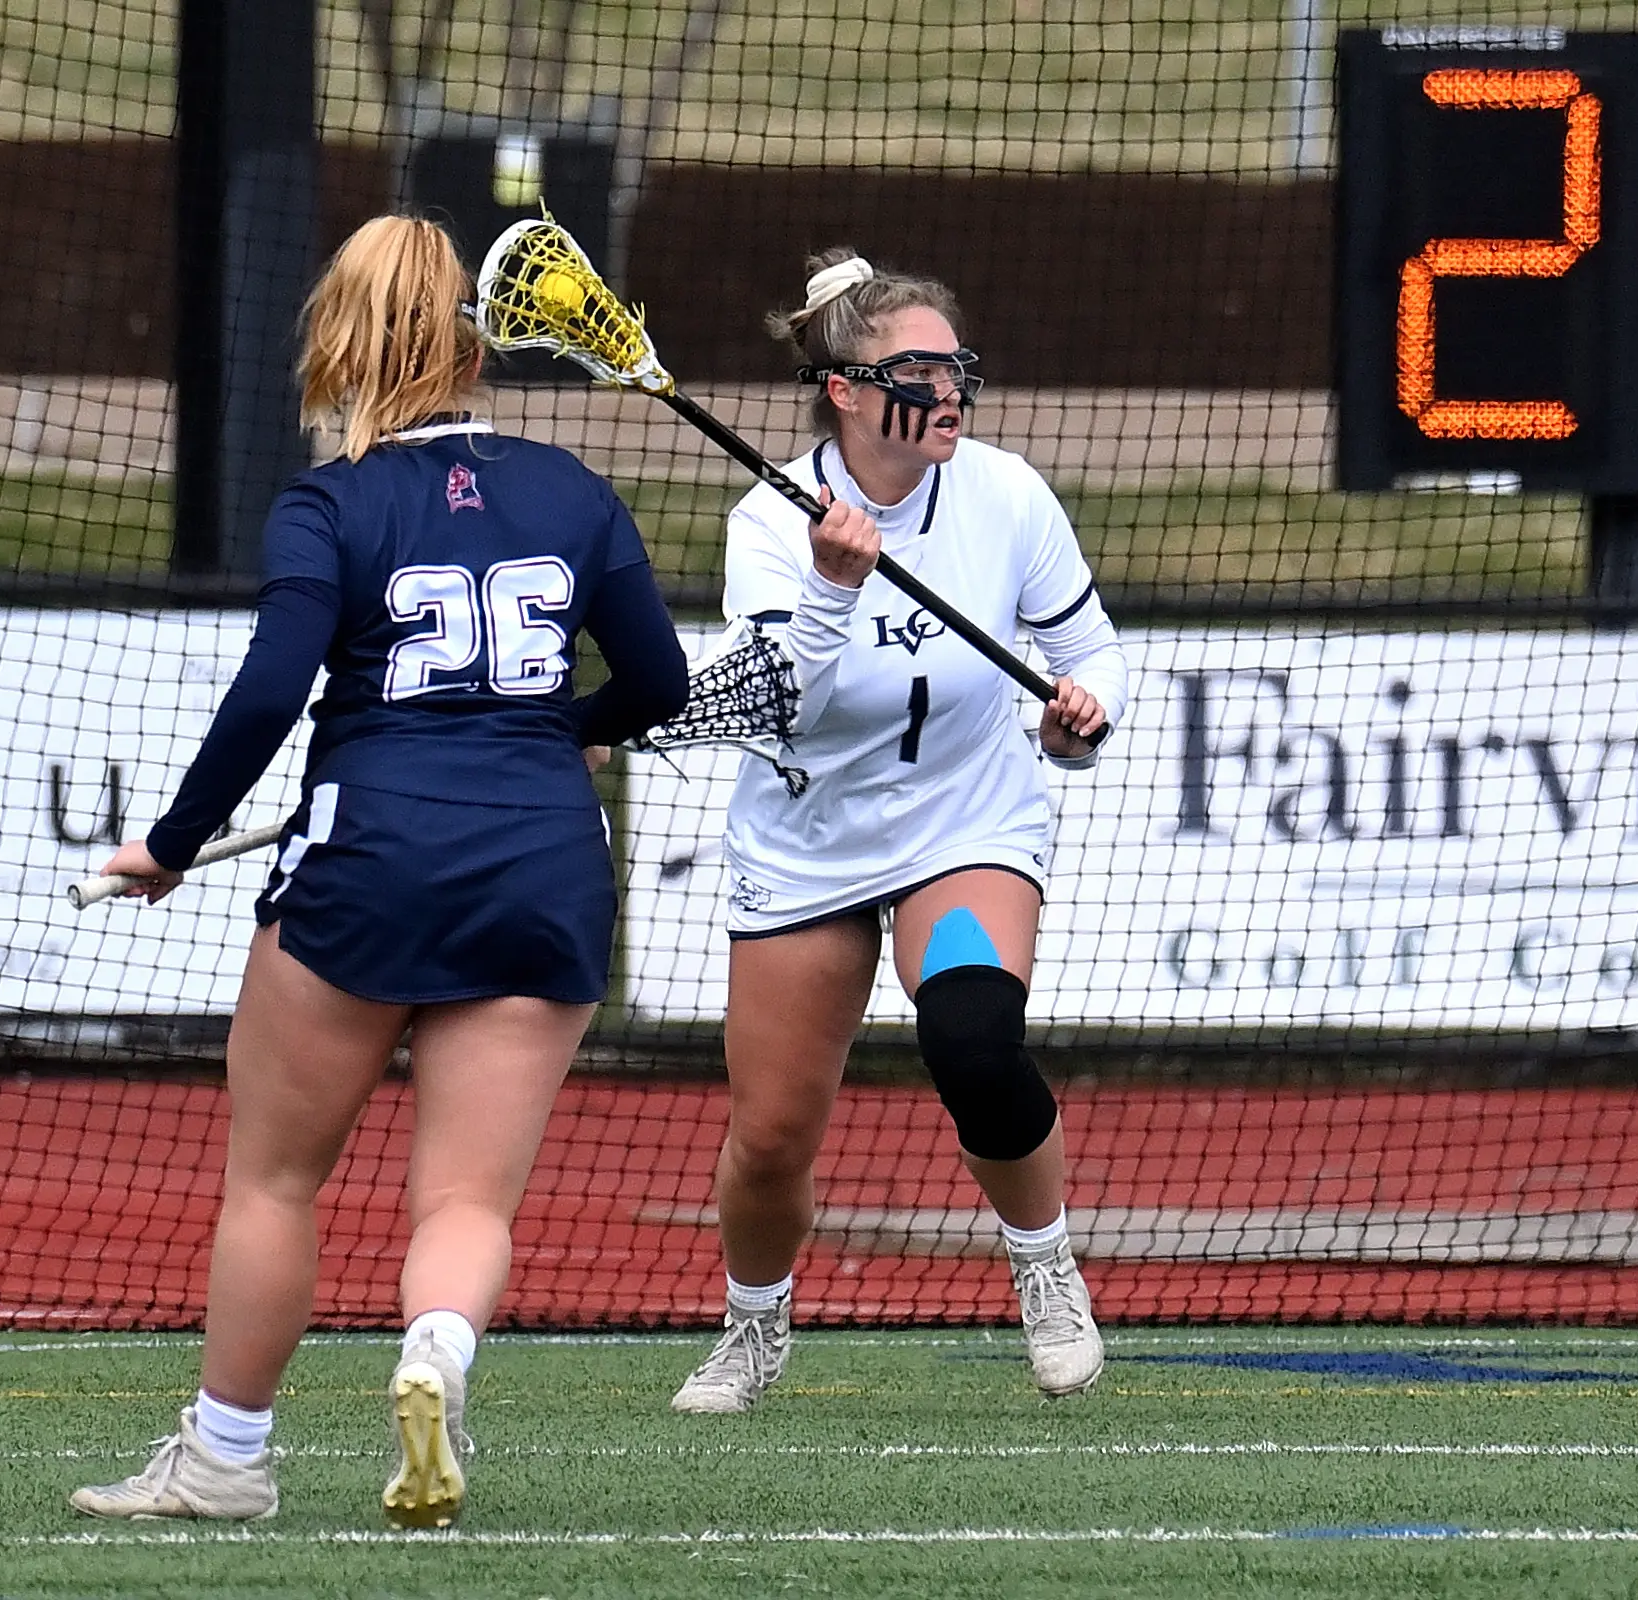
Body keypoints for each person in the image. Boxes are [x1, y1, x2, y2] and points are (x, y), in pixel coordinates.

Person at [68, 214, 687, 1527]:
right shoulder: (570, 490)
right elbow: (660, 683)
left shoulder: (330, 500)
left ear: (341, 340)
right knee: (465, 1196)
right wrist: (547, 732)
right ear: (470, 340)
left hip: (371, 857)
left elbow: (266, 697)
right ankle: (436, 1354)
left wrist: (173, 844)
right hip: (540, 861)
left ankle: (228, 1459)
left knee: (276, 1179)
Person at [669, 248, 1132, 1414]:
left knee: (975, 1037)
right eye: (920, 371)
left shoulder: (1004, 493)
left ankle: (1045, 1268)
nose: (950, 393)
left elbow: (1088, 656)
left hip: (963, 821)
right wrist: (830, 588)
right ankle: (754, 1324)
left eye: (956, 367)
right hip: (808, 836)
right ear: (844, 387)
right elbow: (789, 705)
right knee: (771, 1137)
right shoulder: (770, 522)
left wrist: (1082, 718)